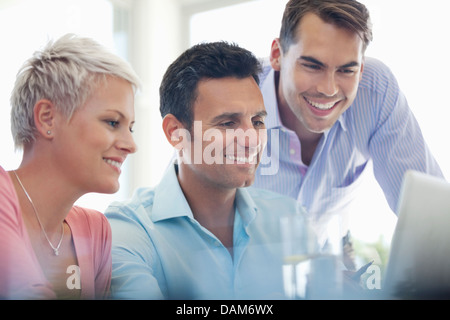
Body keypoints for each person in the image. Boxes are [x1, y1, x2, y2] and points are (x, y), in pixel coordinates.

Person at [105, 41, 308, 300]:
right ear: (175, 133)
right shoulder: (130, 230)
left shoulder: (290, 217)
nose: (251, 140)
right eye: (227, 123)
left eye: (257, 122)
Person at [253, 0, 444, 241]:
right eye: (313, 66)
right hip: (241, 269)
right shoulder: (235, 96)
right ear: (277, 55)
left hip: (330, 262)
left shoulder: (376, 92)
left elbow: (430, 214)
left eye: (346, 70)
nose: (329, 89)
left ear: (361, 69)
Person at [0, 33, 140, 299]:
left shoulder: (96, 230)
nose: (130, 145)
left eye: (130, 128)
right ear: (47, 118)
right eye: (112, 122)